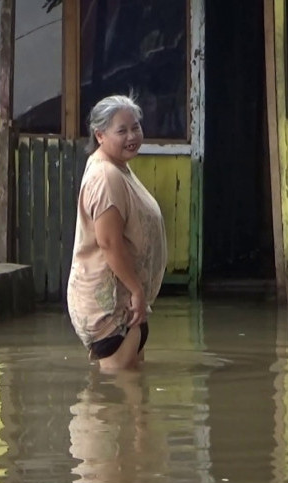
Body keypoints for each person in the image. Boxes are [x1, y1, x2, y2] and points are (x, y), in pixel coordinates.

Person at [67, 94, 167, 372]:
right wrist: (136, 290)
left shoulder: (118, 169)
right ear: (99, 135)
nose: (132, 136)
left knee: (133, 397)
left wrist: (138, 294)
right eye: (121, 131)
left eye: (135, 127)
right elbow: (109, 244)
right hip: (111, 308)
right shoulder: (105, 177)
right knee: (113, 395)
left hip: (128, 306)